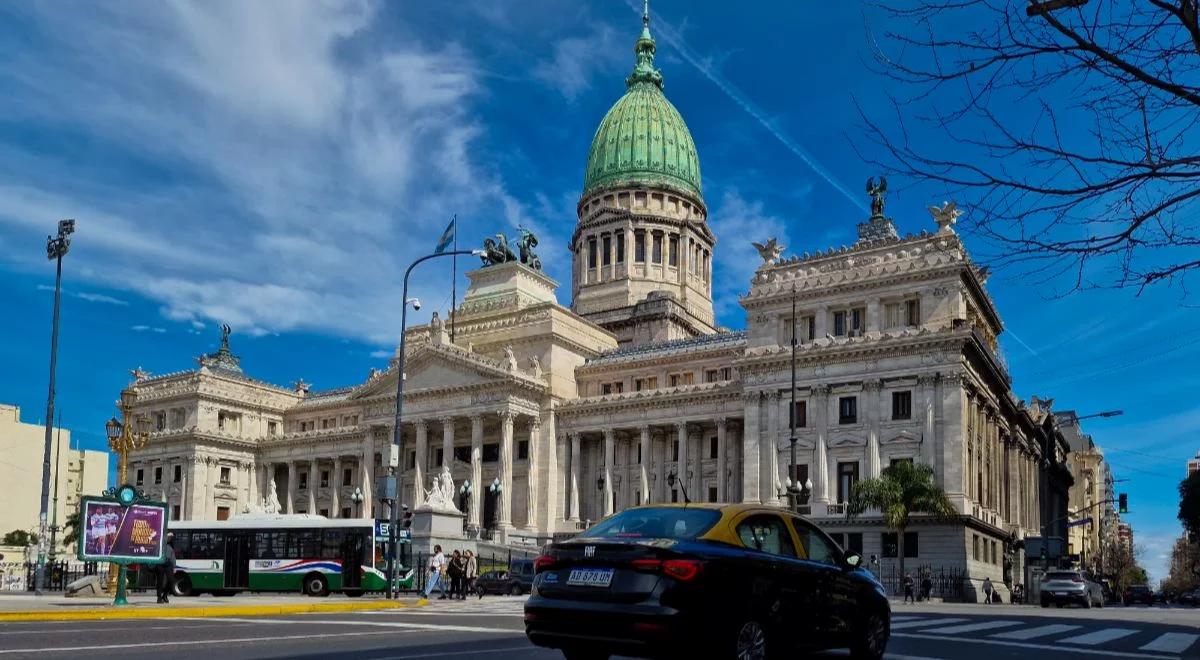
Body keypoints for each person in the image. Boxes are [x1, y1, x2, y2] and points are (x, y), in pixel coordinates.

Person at [157, 533, 176, 604]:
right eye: (169, 537)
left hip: (168, 564)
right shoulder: (160, 544)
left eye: (171, 537)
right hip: (160, 563)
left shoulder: (171, 545)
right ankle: (159, 597)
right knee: (160, 581)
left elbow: (173, 557)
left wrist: (174, 566)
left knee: (172, 580)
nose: (170, 538)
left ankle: (164, 595)